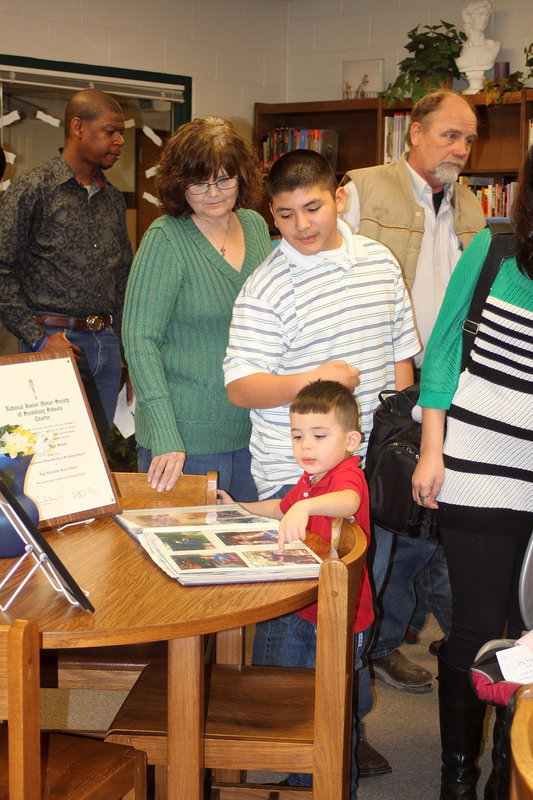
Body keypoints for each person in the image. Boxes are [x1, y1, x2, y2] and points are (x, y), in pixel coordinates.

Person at [224, 148, 420, 786]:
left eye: (313, 207)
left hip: (371, 475)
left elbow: (399, 365)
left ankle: (346, 730)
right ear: (271, 217)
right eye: (285, 215)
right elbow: (242, 387)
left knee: (357, 608)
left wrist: (402, 445)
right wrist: (316, 378)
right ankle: (288, 746)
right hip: (298, 472)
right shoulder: (266, 283)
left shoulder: (379, 263)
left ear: (340, 194)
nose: (303, 225)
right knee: (298, 617)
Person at [341, 89, 486, 696]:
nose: (461, 148)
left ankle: (389, 639)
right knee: (389, 530)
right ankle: (366, 654)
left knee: (428, 530)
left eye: (469, 138)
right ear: (414, 135)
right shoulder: (363, 190)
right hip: (387, 388)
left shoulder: (471, 203)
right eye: (450, 134)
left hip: (452, 386)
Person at [412, 147, 533, 800]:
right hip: (480, 468)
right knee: (477, 627)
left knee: (527, 639)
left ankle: (506, 777)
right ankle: (456, 779)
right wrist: (432, 449)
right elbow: (443, 348)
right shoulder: (492, 250)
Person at [219, 379, 373, 793]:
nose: (306, 446)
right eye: (297, 435)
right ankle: (304, 775)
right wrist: (238, 509)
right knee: (300, 696)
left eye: (320, 436)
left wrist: (306, 505)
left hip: (339, 616)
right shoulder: (311, 477)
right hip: (309, 606)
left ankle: (334, 784)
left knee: (329, 709)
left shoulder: (346, 475)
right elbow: (279, 507)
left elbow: (349, 503)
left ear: (351, 439)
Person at [123, 116, 271, 499]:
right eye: (199, 182)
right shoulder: (166, 239)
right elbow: (140, 341)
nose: (213, 192)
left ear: (242, 177)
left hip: (253, 429)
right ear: (178, 183)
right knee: (188, 554)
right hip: (184, 438)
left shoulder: (255, 227)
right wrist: (165, 433)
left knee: (248, 551)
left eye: (224, 179)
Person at [0, 89, 132, 445]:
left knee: (98, 460)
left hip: (106, 345)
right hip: (53, 342)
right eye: (110, 131)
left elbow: (123, 280)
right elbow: (1, 270)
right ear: (77, 127)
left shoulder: (112, 198)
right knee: (53, 458)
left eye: (121, 132)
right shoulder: (33, 188)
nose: (119, 141)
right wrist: (38, 337)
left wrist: (127, 353)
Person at [456, 0, 501, 94]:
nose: (484, 19)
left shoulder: (494, 46)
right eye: (480, 15)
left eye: (486, 16)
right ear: (469, 18)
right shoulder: (459, 48)